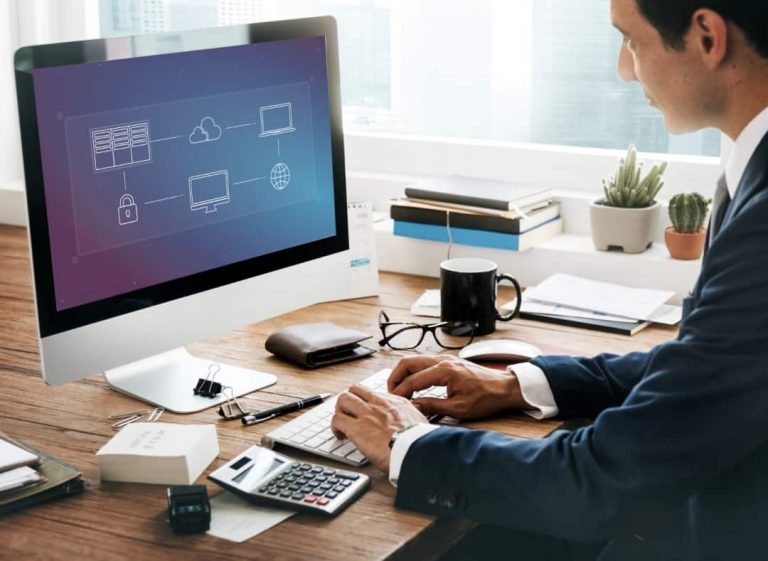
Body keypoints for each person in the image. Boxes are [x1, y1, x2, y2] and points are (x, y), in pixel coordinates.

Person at [331, 1, 768, 559]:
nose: (624, 69)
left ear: (707, 37)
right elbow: (708, 365)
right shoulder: (751, 167)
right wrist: (520, 384)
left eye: (631, 40)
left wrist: (408, 442)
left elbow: (602, 483)